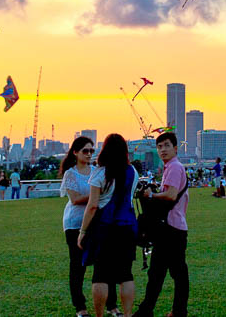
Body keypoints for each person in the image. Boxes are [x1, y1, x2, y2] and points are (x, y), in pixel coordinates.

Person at [79, 133, 139, 317]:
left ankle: (99, 315)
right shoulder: (133, 172)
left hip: (104, 228)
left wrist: (82, 231)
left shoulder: (100, 172)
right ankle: (128, 314)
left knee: (100, 275)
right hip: (128, 227)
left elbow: (93, 205)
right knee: (125, 275)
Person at [60, 137, 118, 317]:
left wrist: (96, 196)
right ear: (75, 152)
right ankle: (81, 308)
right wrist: (96, 196)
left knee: (105, 266)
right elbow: (75, 199)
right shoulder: (70, 173)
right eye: (85, 151)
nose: (89, 154)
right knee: (78, 267)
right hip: (74, 224)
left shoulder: (97, 171)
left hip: (96, 223)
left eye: (92, 151)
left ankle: (112, 306)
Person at [135, 132, 190, 317]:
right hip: (174, 227)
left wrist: (151, 195)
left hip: (170, 229)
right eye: (159, 146)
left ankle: (155, 311)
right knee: (168, 272)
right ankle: (172, 310)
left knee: (166, 273)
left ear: (175, 148)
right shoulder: (171, 167)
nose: (162, 150)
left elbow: (171, 195)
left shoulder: (174, 167)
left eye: (166, 145)